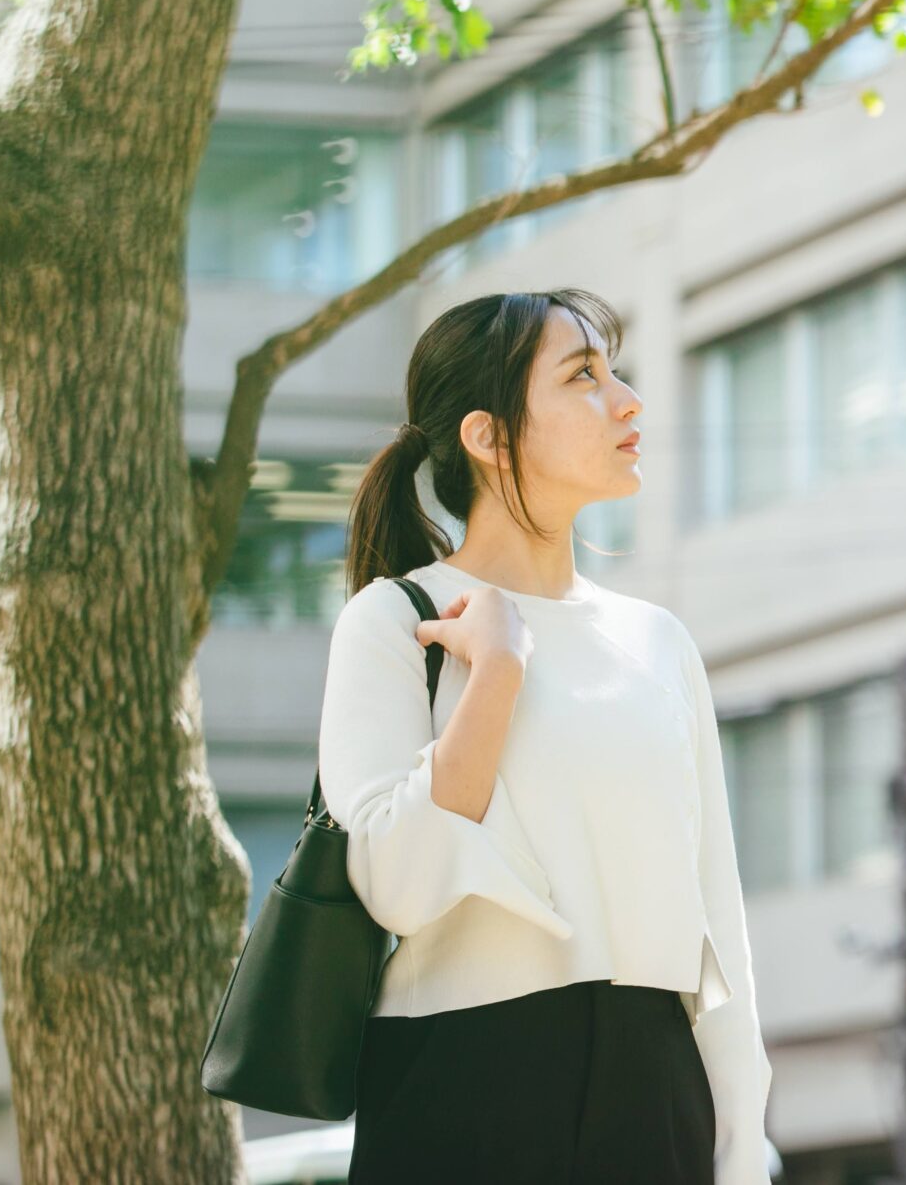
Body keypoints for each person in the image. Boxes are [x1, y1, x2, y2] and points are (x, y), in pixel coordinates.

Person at [319, 289, 773, 1184]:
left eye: (614, 372)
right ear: (488, 437)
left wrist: (741, 1146)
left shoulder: (658, 643)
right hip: (461, 1088)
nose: (628, 399)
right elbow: (396, 882)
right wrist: (495, 672)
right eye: (584, 377)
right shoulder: (395, 619)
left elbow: (718, 924)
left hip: (656, 1091)